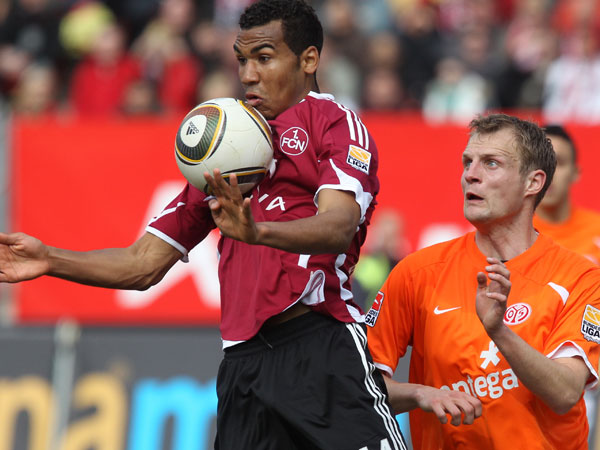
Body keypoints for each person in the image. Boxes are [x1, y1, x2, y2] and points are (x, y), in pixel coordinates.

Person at [0, 1, 407, 449]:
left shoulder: (334, 124)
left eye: (264, 58)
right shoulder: (225, 151)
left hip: (319, 347)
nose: (248, 75)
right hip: (242, 370)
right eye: (242, 60)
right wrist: (48, 259)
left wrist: (257, 233)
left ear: (308, 59)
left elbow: (338, 225)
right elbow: (142, 264)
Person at [366, 114, 600, 449]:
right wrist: (419, 393)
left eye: (491, 163)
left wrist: (499, 331)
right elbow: (359, 385)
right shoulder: (417, 272)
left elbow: (565, 393)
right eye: (468, 162)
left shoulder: (581, 277)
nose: (470, 175)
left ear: (533, 183)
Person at [534, 124, 600, 265]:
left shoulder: (597, 229)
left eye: (559, 163)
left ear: (575, 173)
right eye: (540, 162)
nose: (549, 173)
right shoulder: (507, 236)